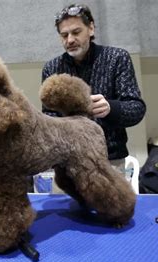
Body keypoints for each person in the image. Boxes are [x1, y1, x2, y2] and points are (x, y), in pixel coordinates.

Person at [42, 3, 146, 172]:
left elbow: (136, 109)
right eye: (64, 35)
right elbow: (48, 115)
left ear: (91, 29)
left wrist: (110, 109)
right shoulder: (52, 68)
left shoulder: (117, 58)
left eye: (76, 32)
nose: (70, 40)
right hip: (66, 162)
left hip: (110, 161)